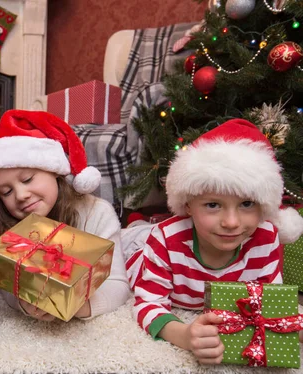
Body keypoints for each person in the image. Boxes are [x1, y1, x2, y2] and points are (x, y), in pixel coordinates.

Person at [124, 119, 303, 365]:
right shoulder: (165, 239)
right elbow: (147, 304)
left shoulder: (267, 238)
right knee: (126, 247)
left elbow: (269, 302)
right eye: (213, 204)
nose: (231, 222)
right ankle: (136, 226)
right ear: (188, 204)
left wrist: (289, 323)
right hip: (139, 248)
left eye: (247, 204)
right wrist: (184, 335)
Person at [0, 109, 131, 321]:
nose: (21, 195)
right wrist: (24, 301)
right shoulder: (6, 223)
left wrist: (77, 305)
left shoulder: (97, 213)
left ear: (54, 171)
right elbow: (4, 284)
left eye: (28, 179)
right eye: (7, 192)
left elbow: (118, 285)